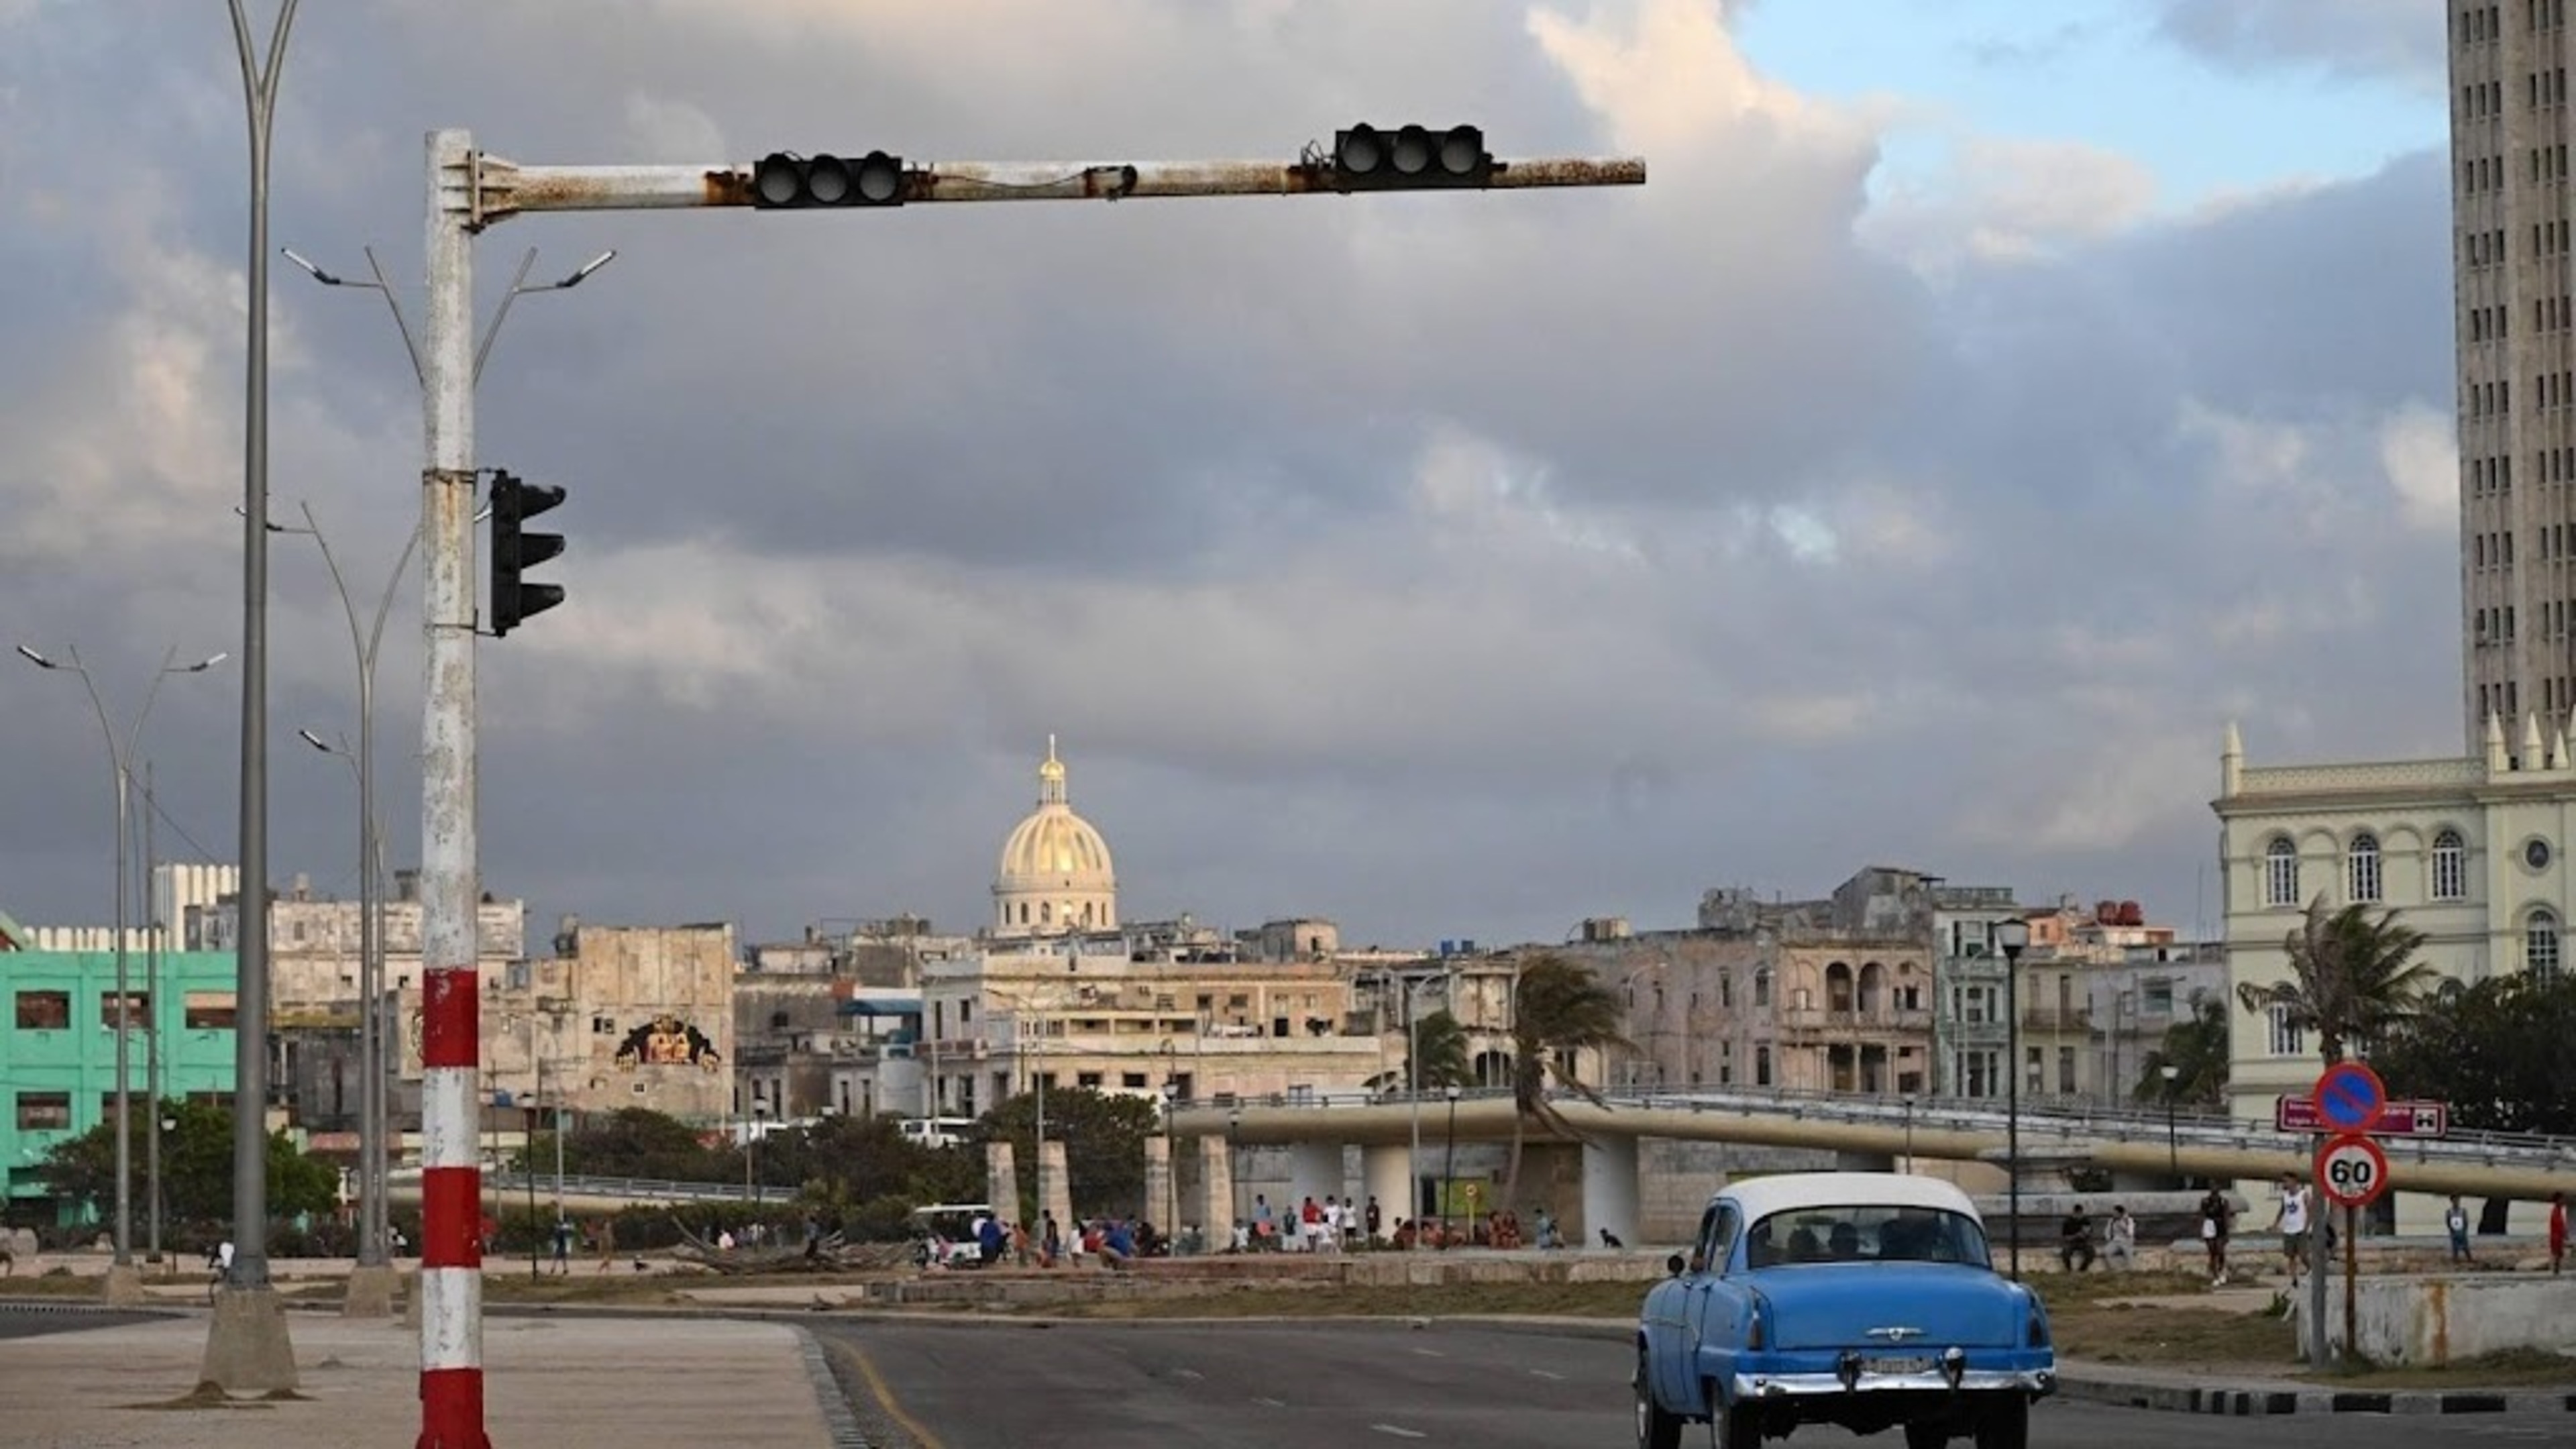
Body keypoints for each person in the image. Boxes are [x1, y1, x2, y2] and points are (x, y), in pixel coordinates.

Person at [2271, 1173, 2312, 1287]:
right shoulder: (2285, 1196)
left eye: (2287, 1181)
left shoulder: (2304, 1195)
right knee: (2291, 1256)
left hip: (2300, 1228)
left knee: (2303, 1254)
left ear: (2294, 1182)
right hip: (2289, 1229)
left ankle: (2311, 1269)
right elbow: (2282, 1210)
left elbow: (2310, 1211)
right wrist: (2275, 1224)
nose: (2285, 1184)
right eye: (2284, 1181)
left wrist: (2307, 1226)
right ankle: (2294, 1278)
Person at [2198, 1185, 2232, 1285]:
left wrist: (2227, 1232)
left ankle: (2221, 1269)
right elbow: (2202, 1215)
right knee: (2212, 1251)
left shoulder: (2224, 1202)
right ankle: (2215, 1275)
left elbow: (2226, 1216)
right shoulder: (2205, 1202)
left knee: (2220, 1250)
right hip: (2209, 1224)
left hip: (2220, 1225)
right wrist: (2201, 1230)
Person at [2057, 1204, 2096, 1273]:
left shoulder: (2086, 1221)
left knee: (2091, 1252)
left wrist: (2086, 1235)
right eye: (2078, 1214)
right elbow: (2065, 1237)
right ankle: (2069, 1269)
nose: (2079, 1216)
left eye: (2081, 1214)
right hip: (2072, 1242)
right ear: (2075, 1213)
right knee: (2066, 1252)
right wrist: (2076, 1236)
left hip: (2083, 1242)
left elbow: (2091, 1233)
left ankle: (2083, 1269)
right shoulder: (2068, 1222)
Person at [2102, 1205, 2137, 1271]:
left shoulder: (2129, 1220)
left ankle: (2130, 1269)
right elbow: (2107, 1231)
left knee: (2129, 1254)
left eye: (2116, 1213)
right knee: (2106, 1251)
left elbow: (2130, 1233)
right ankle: (2113, 1268)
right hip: (2115, 1242)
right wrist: (2109, 1239)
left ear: (2121, 1213)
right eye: (2114, 1213)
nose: (2114, 1214)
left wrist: (2122, 1225)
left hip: (2126, 1242)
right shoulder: (2111, 1221)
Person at [2444, 1194, 2473, 1263]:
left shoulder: (2463, 1211)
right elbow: (2448, 1221)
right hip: (2454, 1231)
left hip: (2462, 1231)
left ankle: (2469, 1259)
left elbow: (2466, 1221)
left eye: (2457, 1200)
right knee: (2455, 1248)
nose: (2456, 1202)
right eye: (2455, 1200)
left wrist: (2465, 1230)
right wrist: (2451, 1229)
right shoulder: (2449, 1212)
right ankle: (2456, 1259)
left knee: (2466, 1247)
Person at [2548, 1191, 2568, 1277]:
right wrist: (2564, 1233)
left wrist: (2564, 1233)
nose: (2563, 1201)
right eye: (2562, 1200)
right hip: (2556, 1237)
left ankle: (2557, 1273)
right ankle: (2556, 1274)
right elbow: (2558, 1224)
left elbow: (2561, 1224)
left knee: (2559, 1256)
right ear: (2558, 1200)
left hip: (2558, 1236)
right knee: (2557, 1256)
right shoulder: (2555, 1211)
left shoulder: (2558, 1211)